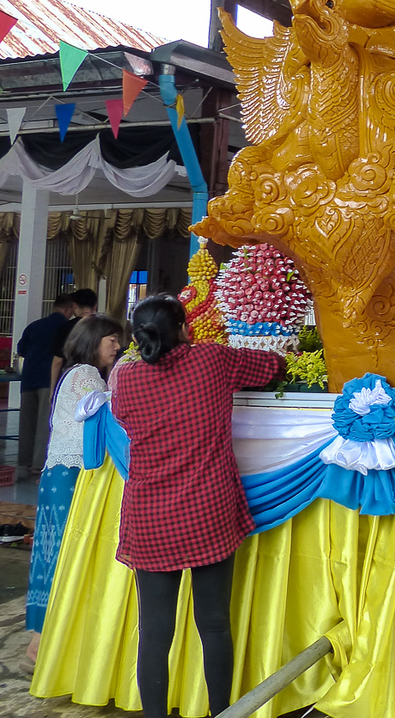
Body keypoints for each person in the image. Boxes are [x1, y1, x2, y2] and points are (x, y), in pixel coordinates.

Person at [111, 295, 285, 718]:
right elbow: (272, 367)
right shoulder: (210, 360)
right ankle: (221, 712)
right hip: (207, 512)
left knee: (154, 633)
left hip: (150, 517)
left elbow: (122, 417)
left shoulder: (128, 380)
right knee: (214, 625)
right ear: (185, 329)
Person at [24, 314, 124, 665]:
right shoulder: (86, 375)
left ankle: (43, 637)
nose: (116, 346)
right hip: (68, 473)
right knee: (64, 551)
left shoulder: (77, 372)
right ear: (93, 341)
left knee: (54, 550)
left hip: (59, 473)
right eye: (111, 340)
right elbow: (105, 415)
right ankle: (42, 641)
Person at [15, 294, 73, 480]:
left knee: (26, 423)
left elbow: (21, 349)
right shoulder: (65, 328)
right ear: (67, 310)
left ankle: (23, 464)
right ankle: (38, 465)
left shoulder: (34, 326)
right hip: (49, 381)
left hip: (29, 379)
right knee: (44, 424)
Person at [48, 288, 98, 396]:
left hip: (69, 381)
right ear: (95, 306)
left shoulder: (66, 327)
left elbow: (57, 361)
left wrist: (53, 390)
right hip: (96, 381)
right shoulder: (102, 327)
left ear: (74, 306)